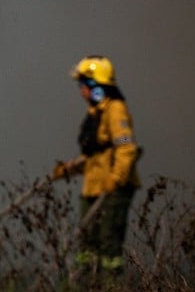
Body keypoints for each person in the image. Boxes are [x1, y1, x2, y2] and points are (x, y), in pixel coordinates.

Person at [51, 54, 141, 275]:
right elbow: (95, 156)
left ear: (96, 86)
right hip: (93, 187)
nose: (81, 90)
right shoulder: (95, 112)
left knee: (109, 244)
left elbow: (126, 146)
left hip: (113, 190)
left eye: (83, 85)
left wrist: (116, 179)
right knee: (87, 243)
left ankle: (110, 289)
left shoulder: (115, 110)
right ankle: (86, 289)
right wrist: (68, 170)